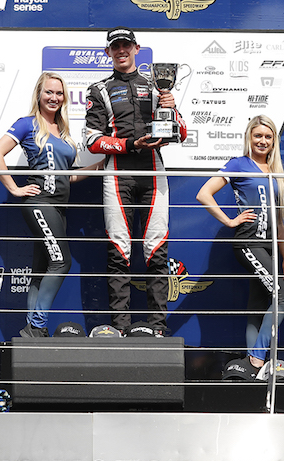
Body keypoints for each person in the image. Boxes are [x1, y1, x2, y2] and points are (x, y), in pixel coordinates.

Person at [84, 27, 187, 335]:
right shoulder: (99, 89)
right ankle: (120, 329)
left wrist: (170, 108)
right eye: (115, 46)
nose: (121, 50)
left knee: (157, 251)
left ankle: (158, 329)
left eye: (126, 45)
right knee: (119, 251)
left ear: (136, 48)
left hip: (154, 172)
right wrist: (130, 145)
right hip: (118, 174)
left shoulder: (156, 87)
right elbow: (92, 140)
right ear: (108, 52)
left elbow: (181, 133)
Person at [0, 72, 101, 337]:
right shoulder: (27, 124)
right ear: (39, 94)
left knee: (41, 269)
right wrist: (14, 188)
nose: (54, 97)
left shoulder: (62, 131)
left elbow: (68, 176)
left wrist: (100, 166)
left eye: (59, 93)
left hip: (59, 208)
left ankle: (32, 329)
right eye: (49, 92)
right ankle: (37, 325)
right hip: (39, 203)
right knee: (61, 262)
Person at [196, 115, 284, 378]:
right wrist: (230, 221)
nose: (263, 141)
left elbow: (279, 221)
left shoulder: (274, 171)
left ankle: (251, 370)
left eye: (268, 137)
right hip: (249, 243)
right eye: (258, 135)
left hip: (269, 248)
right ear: (249, 137)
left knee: (258, 306)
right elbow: (204, 194)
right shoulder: (239, 164)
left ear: (274, 141)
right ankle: (257, 359)